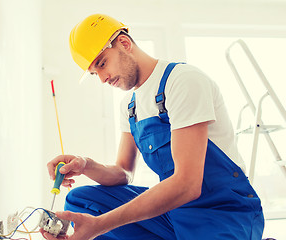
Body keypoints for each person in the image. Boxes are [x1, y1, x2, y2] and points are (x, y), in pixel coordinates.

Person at [41, 14, 264, 240]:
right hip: (174, 213)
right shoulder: (130, 107)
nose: (102, 79)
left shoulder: (183, 81)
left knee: (99, 222)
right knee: (79, 200)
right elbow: (124, 172)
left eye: (101, 63)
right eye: (94, 73)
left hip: (220, 212)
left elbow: (187, 185)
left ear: (124, 43)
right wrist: (86, 165)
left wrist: (100, 225)